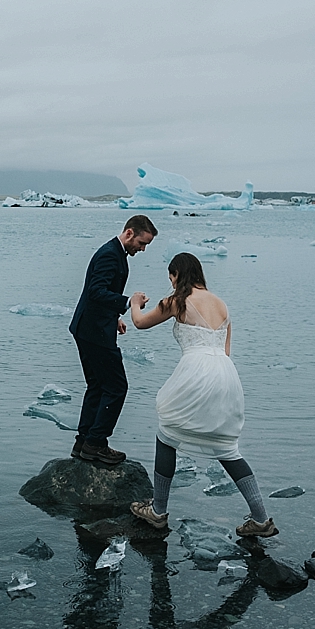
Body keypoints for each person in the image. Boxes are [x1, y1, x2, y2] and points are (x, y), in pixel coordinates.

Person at [126, 252, 278, 538]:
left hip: (196, 370)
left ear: (176, 275)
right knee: (225, 445)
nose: (170, 283)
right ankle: (260, 518)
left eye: (171, 277)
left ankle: (158, 511)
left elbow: (140, 323)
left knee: (167, 433)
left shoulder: (177, 301)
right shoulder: (222, 305)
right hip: (226, 374)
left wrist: (134, 303)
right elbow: (226, 350)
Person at [69, 215, 157, 465]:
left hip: (89, 327)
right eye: (142, 243)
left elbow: (99, 293)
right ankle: (96, 443)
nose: (142, 249)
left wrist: (113, 316)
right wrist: (129, 302)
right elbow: (97, 291)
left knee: (97, 386)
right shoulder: (110, 254)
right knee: (117, 387)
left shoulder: (113, 252)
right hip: (94, 332)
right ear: (129, 233)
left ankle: (83, 442)